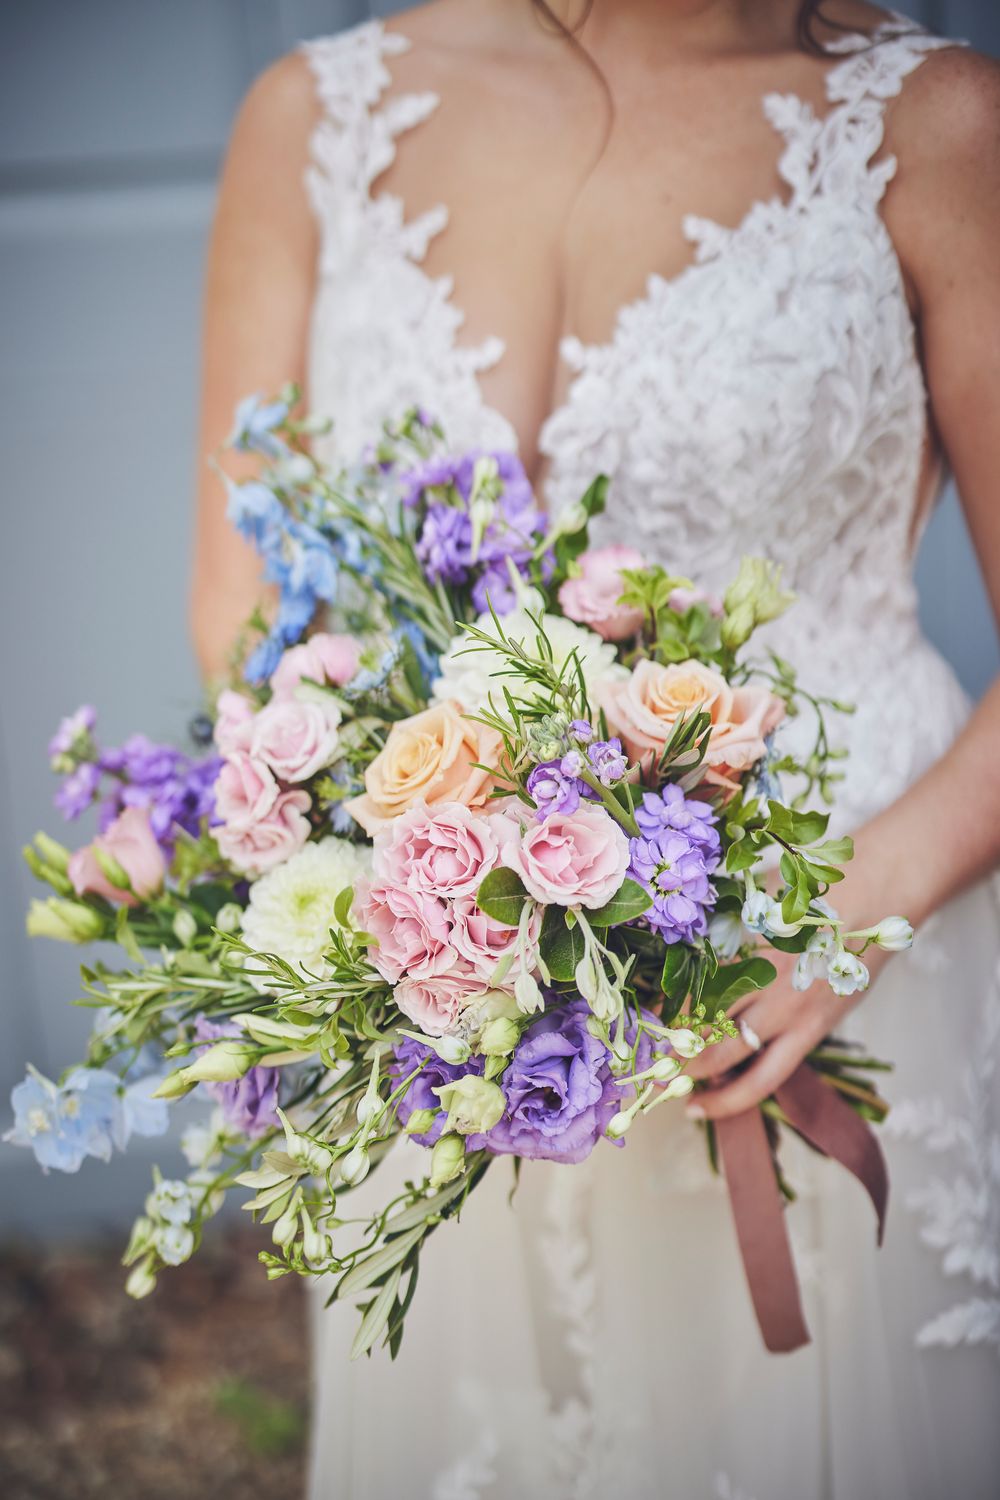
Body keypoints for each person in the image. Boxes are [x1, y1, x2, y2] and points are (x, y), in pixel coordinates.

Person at [190, 3, 1000, 1495]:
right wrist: (416, 908)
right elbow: (239, 600)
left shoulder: (929, 123)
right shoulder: (314, 119)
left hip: (837, 956)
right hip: (443, 1016)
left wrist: (842, 924)